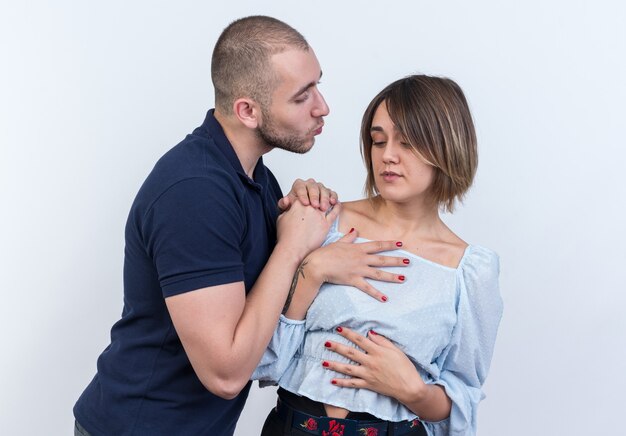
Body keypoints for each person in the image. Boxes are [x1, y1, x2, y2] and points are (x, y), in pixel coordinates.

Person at [73, 16, 407, 436]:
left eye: (318, 85)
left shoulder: (254, 180)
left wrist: (304, 232)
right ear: (248, 110)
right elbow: (226, 375)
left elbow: (267, 303)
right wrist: (291, 248)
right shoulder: (194, 192)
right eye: (303, 96)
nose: (323, 107)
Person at [254, 75, 504, 436]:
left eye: (408, 142)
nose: (387, 155)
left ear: (447, 146)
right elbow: (264, 361)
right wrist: (314, 270)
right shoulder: (323, 219)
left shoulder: (470, 271)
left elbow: (460, 402)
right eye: (378, 140)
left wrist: (413, 391)